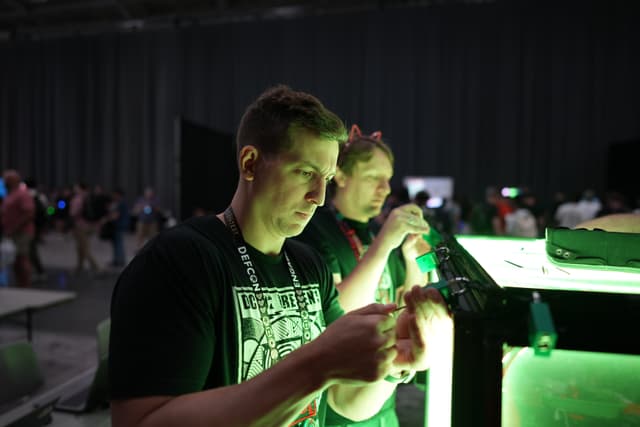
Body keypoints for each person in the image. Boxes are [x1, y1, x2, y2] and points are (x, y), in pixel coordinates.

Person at [109, 85, 449, 427]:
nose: (318, 197)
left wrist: (394, 363)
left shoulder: (308, 264)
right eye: (304, 173)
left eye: (326, 179)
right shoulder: (180, 261)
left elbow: (346, 403)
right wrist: (317, 364)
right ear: (250, 163)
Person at [296, 124, 432, 427]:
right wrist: (385, 242)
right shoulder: (316, 231)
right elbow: (337, 312)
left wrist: (412, 259)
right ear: (340, 176)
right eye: (373, 178)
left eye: (387, 180)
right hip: (340, 405)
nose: (384, 189)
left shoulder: (374, 232)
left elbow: (406, 309)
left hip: (384, 401)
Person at [1, 170, 35, 287]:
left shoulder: (22, 194)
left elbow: (29, 213)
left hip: (22, 232)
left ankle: (26, 284)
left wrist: (15, 227)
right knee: (16, 260)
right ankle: (20, 284)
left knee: (22, 258)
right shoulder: (10, 194)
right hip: (12, 232)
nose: (4, 182)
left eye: (6, 179)